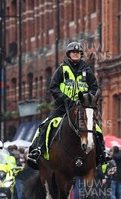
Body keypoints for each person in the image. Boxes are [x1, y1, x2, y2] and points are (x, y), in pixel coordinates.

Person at [26, 41, 109, 169]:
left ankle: (102, 154)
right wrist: (65, 99)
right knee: (46, 125)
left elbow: (94, 88)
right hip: (62, 107)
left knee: (96, 128)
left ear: (81, 55)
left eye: (78, 53)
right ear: (69, 54)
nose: (76, 55)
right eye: (73, 52)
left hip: (82, 108)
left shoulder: (87, 70)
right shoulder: (61, 70)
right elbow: (53, 88)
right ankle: (37, 150)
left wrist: (88, 99)